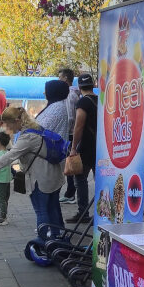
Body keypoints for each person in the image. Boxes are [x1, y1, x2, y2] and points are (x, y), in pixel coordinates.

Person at [0, 107, 64, 262]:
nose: (8, 129)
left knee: (42, 212)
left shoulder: (27, 137)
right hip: (54, 177)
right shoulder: (38, 128)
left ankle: (44, 245)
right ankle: (58, 241)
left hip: (40, 180)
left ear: (17, 121)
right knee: (53, 209)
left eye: (9, 125)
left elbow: (9, 156)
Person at [67, 74, 97, 224]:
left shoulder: (83, 102)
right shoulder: (100, 101)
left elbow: (78, 126)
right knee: (101, 181)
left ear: (79, 87)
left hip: (86, 146)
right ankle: (102, 212)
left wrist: (73, 148)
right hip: (101, 147)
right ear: (94, 84)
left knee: (80, 179)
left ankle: (83, 213)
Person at [58, 68, 79, 205]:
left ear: (65, 78)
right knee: (70, 163)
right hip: (71, 133)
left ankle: (71, 193)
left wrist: (64, 130)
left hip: (70, 134)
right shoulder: (73, 94)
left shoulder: (70, 95)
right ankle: (70, 192)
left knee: (70, 164)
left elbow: (71, 117)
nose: (59, 80)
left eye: (60, 77)